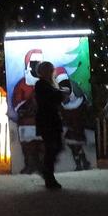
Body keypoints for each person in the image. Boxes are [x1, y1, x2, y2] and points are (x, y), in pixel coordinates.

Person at [32, 61, 64, 190]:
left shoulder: (46, 85)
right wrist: (60, 94)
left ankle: (46, 172)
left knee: (55, 147)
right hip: (47, 121)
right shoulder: (41, 85)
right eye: (50, 70)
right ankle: (48, 176)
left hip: (51, 120)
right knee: (51, 148)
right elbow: (52, 98)